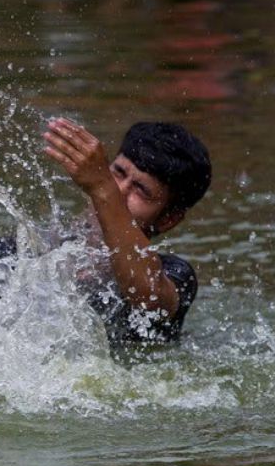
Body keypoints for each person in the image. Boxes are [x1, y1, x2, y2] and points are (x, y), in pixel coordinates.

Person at [40, 118, 211, 344]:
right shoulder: (32, 251)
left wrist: (103, 186)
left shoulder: (175, 275)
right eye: (118, 172)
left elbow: (148, 300)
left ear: (168, 219)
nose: (118, 190)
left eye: (141, 190)